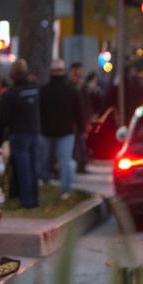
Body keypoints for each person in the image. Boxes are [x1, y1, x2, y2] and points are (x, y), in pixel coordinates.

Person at [0, 59, 42, 209]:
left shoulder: (11, 93)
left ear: (14, 74)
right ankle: (34, 200)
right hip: (35, 132)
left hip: (19, 134)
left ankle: (26, 201)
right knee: (33, 167)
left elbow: (2, 118)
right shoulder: (36, 89)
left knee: (23, 168)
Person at [39, 60, 84, 198]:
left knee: (45, 160)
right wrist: (81, 129)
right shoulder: (71, 90)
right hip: (66, 132)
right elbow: (79, 112)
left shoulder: (43, 90)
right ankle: (65, 191)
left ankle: (46, 184)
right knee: (65, 162)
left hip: (47, 131)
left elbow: (39, 111)